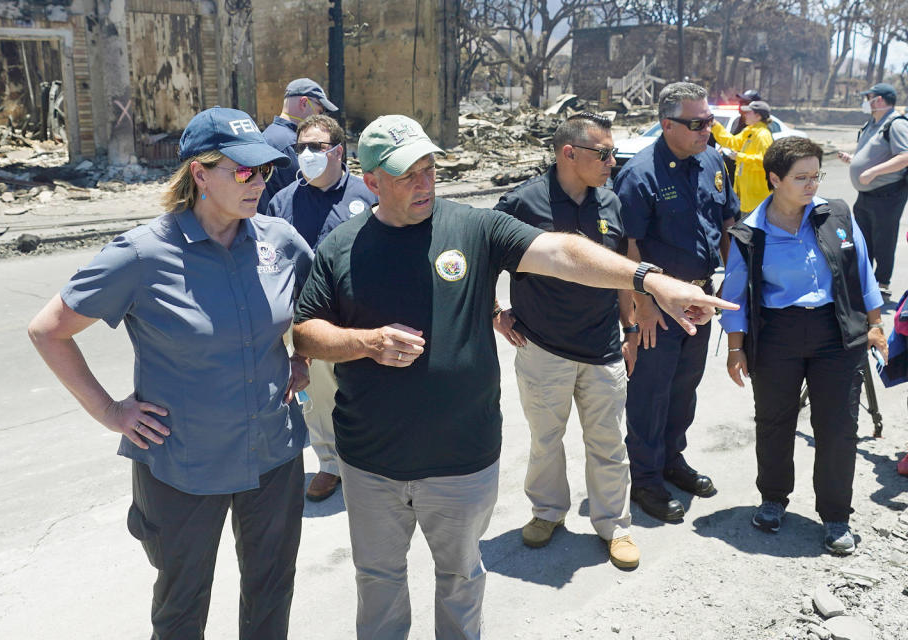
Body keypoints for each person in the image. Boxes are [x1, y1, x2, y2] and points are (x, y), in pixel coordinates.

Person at [292, 114, 735, 638]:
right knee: (379, 580)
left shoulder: (473, 227)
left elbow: (563, 253)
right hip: (371, 463)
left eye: (430, 168)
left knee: (461, 579)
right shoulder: (341, 246)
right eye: (408, 173)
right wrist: (365, 342)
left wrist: (650, 280)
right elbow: (306, 334)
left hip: (462, 461)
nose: (424, 182)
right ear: (371, 181)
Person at [27, 107, 313, 638]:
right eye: (245, 172)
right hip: (184, 467)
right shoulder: (142, 254)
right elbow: (49, 330)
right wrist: (109, 411)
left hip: (273, 454)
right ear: (200, 174)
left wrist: (304, 357)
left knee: (272, 593)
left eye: (266, 171)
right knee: (181, 607)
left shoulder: (280, 241)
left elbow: (316, 310)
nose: (259, 183)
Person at [721, 136, 886, 554]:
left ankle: (835, 516)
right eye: (801, 177)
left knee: (837, 427)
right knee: (774, 421)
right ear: (775, 179)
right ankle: (773, 499)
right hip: (778, 334)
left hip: (836, 334)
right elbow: (736, 294)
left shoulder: (838, 214)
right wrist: (736, 348)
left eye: (816, 175)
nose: (812, 184)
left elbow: (862, 270)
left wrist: (875, 324)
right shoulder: (750, 233)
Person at [491, 112, 639, 569]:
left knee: (610, 443)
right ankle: (548, 513)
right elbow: (482, 260)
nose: (612, 161)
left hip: (602, 350)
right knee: (545, 441)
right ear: (568, 153)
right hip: (541, 348)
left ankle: (615, 525)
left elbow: (623, 275)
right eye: (605, 153)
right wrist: (494, 314)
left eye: (613, 152)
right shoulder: (522, 203)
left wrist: (631, 329)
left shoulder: (611, 204)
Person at [613, 82, 740, 522]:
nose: (708, 128)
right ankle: (645, 480)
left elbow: (726, 223)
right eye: (697, 123)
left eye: (710, 121)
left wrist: (728, 282)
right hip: (659, 303)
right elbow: (626, 245)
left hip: (701, 299)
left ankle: (672, 460)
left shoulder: (712, 160)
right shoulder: (640, 173)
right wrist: (642, 305)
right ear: (666, 125)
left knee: (684, 387)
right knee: (650, 392)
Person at [267, 113, 377, 501]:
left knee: (364, 391)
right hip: (306, 320)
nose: (307, 154)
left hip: (358, 316)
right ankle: (329, 464)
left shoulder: (365, 196)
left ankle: (369, 463)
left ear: (338, 151)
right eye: (301, 148)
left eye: (316, 146)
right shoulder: (282, 202)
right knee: (315, 397)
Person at [838, 82, 908, 299]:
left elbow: (905, 156)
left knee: (883, 240)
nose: (865, 102)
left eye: (868, 97)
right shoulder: (872, 123)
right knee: (862, 238)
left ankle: (882, 283)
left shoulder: (895, 124)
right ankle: (863, 281)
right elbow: (874, 153)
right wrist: (854, 160)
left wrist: (872, 172)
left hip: (887, 194)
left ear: (879, 100)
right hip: (866, 195)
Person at [259, 77, 338, 208]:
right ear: (304, 103)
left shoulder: (269, 135)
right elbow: (310, 190)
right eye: (320, 111)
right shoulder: (292, 144)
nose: (321, 118)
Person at [711, 100, 775, 217]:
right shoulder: (750, 131)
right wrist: (715, 125)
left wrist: (739, 157)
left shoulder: (762, 135)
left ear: (758, 116)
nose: (745, 115)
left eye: (749, 112)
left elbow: (764, 161)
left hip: (756, 198)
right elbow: (731, 142)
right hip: (748, 196)